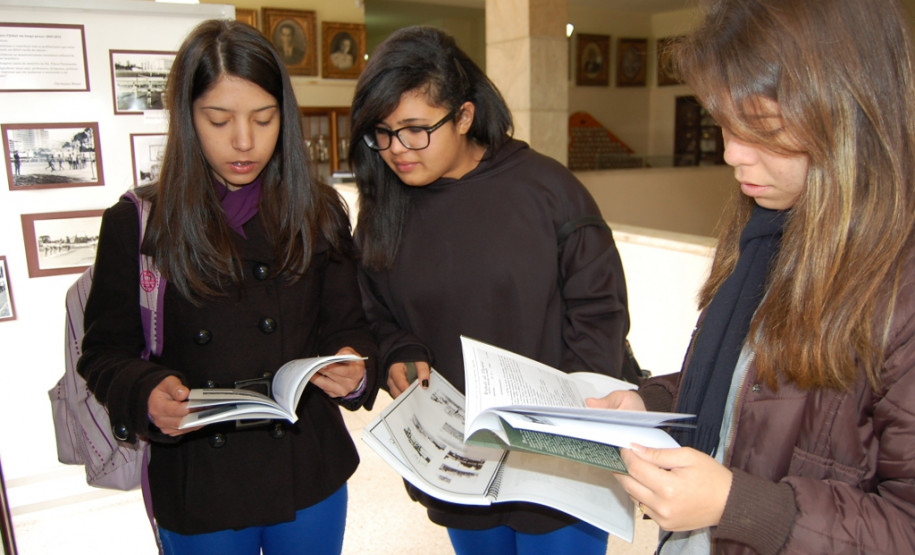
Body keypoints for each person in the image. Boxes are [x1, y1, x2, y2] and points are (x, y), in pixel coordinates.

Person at [587, 0, 915, 553]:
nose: (731, 153)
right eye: (724, 123)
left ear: (847, 115)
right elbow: (746, 389)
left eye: (761, 129)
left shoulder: (899, 286)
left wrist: (739, 506)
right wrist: (655, 406)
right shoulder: (767, 228)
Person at [77, 19, 377, 555]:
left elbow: (348, 325)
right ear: (187, 118)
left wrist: (353, 365)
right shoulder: (137, 222)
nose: (244, 141)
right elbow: (102, 352)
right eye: (219, 120)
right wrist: (145, 391)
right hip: (200, 479)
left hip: (307, 467)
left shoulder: (319, 211)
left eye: (264, 119)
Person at [350, 26, 631, 555]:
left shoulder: (549, 191)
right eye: (381, 133)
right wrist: (397, 351)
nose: (396, 150)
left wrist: (566, 427)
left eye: (415, 130)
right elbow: (373, 310)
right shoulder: (385, 210)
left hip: (558, 459)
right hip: (462, 460)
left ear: (463, 116)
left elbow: (600, 315)